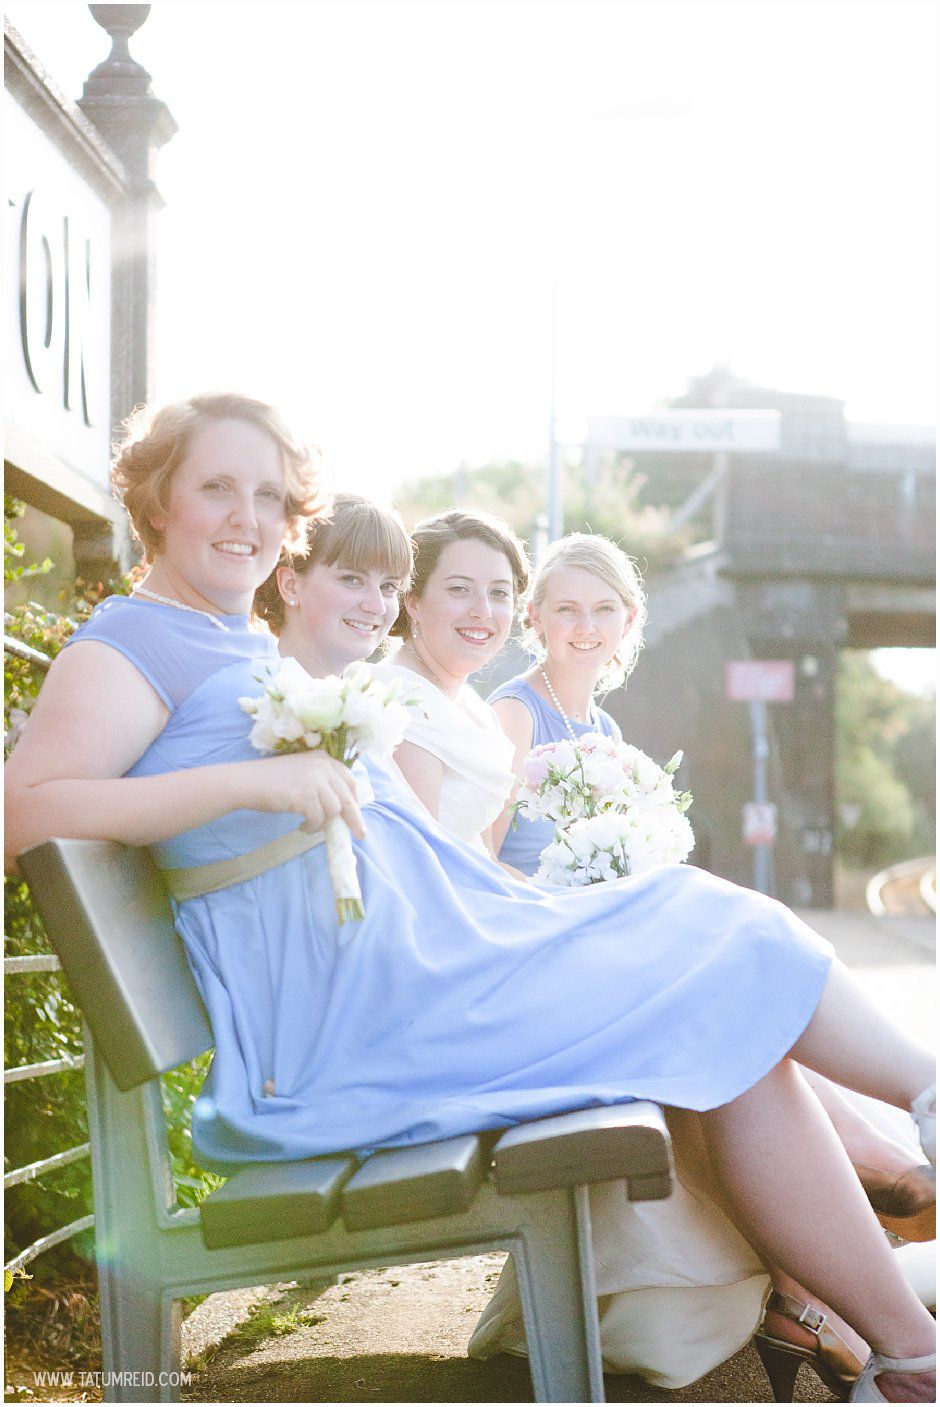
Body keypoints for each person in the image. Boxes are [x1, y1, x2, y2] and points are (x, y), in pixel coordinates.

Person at [4, 394, 936, 1404]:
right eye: (216, 488)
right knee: (718, 936)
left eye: (269, 494)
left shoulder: (239, 647)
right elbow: (24, 817)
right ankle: (915, 1159)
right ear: (156, 501)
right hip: (359, 1030)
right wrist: (248, 782)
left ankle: (903, 1351)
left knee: (717, 981)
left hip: (427, 973)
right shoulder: (133, 644)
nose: (247, 516)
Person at [370, 510, 936, 1393]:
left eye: (601, 609)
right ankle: (889, 1164)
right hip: (517, 977)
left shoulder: (533, 718)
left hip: (547, 959)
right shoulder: (481, 713)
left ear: (629, 620)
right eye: (562, 609)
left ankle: (853, 1254)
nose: (581, 627)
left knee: (727, 984)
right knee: (724, 976)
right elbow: (466, 875)